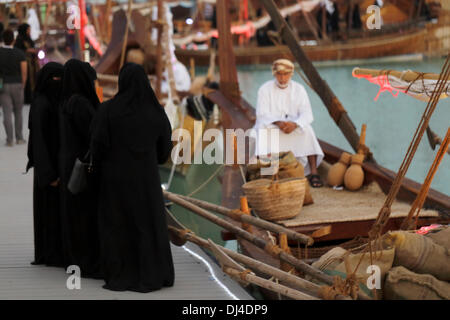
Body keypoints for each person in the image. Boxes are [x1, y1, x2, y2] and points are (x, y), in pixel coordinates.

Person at [91, 63, 174, 292]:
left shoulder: (107, 110)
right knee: (147, 226)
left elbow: (97, 145)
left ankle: (121, 273)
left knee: (118, 225)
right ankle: (152, 273)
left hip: (114, 181)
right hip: (145, 180)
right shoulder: (155, 112)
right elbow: (164, 150)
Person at [58, 59, 101, 278]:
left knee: (72, 214)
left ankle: (73, 259)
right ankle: (86, 262)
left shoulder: (66, 101)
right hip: (81, 166)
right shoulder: (81, 104)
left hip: (68, 164)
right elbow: (94, 133)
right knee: (84, 215)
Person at [253, 59, 324, 187]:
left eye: (286, 74)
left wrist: (295, 124)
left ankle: (314, 172)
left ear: (291, 74)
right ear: (274, 74)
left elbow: (307, 113)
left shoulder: (299, 89)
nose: (283, 78)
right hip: (272, 125)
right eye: (279, 74)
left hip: (293, 126)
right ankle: (267, 172)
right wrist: (279, 123)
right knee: (262, 132)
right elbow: (261, 114)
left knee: (308, 131)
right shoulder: (264, 89)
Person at [26, 62, 64, 267]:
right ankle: (49, 254)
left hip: (52, 166)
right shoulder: (42, 104)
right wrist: (49, 174)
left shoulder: (48, 100)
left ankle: (51, 251)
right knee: (47, 212)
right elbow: (39, 141)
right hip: (48, 170)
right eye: (55, 79)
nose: (58, 83)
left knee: (50, 213)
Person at [0, 28, 27, 147]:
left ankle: (9, 139)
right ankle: (19, 137)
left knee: (6, 112)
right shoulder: (20, 53)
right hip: (17, 84)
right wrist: (23, 84)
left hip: (4, 85)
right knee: (18, 111)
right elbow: (24, 72)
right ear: (13, 40)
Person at [15, 23, 39, 104]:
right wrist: (29, 50)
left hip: (32, 64)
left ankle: (32, 97)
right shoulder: (19, 39)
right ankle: (26, 98)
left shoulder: (29, 39)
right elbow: (18, 50)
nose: (29, 31)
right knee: (27, 80)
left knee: (33, 80)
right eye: (28, 30)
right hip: (25, 64)